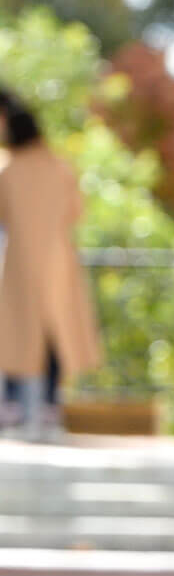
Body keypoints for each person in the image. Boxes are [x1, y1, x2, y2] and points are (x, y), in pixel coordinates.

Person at [0, 86, 101, 434]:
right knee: (53, 333)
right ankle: (47, 407)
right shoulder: (60, 167)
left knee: (14, 332)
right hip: (58, 260)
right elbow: (76, 211)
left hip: (18, 261)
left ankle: (13, 408)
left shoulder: (7, 168)